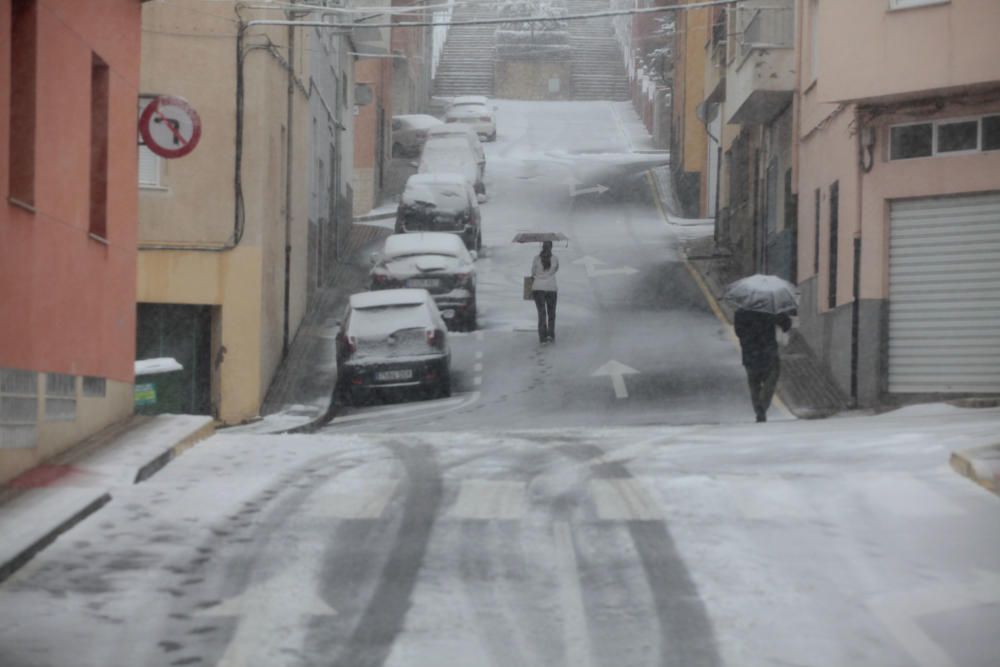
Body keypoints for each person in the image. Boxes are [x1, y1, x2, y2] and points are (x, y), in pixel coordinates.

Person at [734, 308, 792, 422]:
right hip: (768, 351)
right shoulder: (770, 308)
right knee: (771, 379)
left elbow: (739, 332)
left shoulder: (741, 311)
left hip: (749, 353)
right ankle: (762, 405)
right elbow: (786, 324)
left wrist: (749, 337)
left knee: (754, 384)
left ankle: (759, 409)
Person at [530, 241, 559, 343]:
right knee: (551, 312)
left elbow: (533, 272)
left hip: (538, 288)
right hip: (551, 288)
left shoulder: (536, 259)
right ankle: (550, 334)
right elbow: (556, 269)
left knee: (541, 313)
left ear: (542, 247)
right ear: (551, 247)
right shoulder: (555, 259)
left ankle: (542, 337)